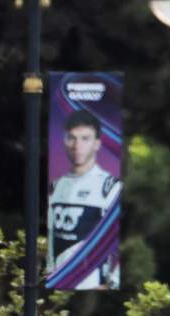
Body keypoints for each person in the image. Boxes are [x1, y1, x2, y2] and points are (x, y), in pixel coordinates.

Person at [48, 111, 120, 289]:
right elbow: (51, 238)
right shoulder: (55, 187)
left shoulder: (110, 187)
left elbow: (122, 239)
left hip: (93, 287)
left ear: (97, 144)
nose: (77, 145)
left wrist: (112, 283)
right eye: (72, 138)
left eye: (85, 138)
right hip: (59, 286)